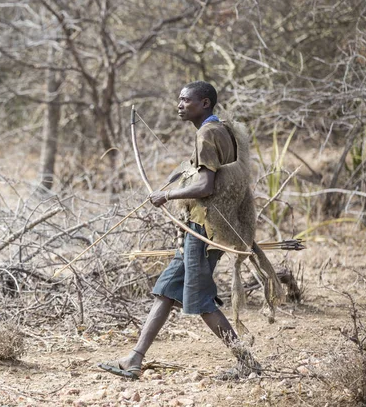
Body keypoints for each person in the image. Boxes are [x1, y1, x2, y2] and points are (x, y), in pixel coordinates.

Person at [99, 81, 260, 380]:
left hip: (205, 229)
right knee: (166, 290)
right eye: (179, 99)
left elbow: (206, 185)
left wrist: (167, 196)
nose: (180, 104)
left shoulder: (208, 133)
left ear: (205, 103)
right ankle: (134, 359)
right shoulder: (219, 130)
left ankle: (246, 361)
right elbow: (208, 175)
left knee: (199, 300)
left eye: (186, 100)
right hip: (203, 228)